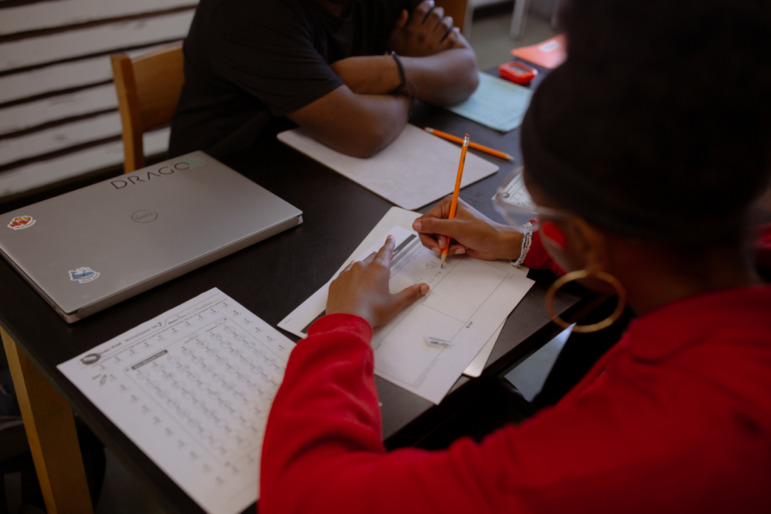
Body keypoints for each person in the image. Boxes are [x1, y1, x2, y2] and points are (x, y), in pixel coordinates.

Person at [259, 0, 771, 512]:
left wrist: (345, 326)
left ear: (587, 241)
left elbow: (307, 496)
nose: (533, 225)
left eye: (539, 214)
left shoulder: (653, 446)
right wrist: (519, 242)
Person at [168, 0, 478, 162]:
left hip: (325, 167)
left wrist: (386, 70)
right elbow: (364, 132)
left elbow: (465, 70)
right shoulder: (246, 10)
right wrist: (411, 84)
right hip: (231, 182)